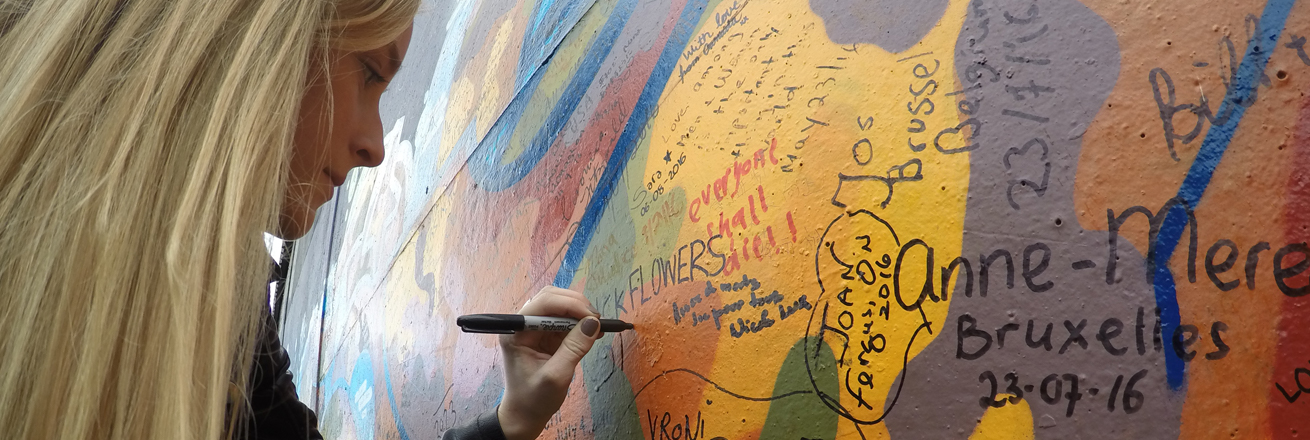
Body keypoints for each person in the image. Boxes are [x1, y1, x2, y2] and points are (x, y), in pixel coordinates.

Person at [0, 1, 601, 439]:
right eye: (369, 73)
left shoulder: (235, 323)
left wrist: (512, 419)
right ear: (250, 36)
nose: (375, 145)